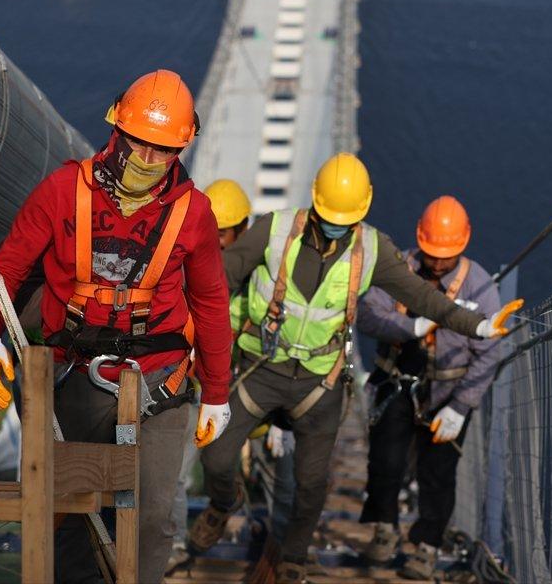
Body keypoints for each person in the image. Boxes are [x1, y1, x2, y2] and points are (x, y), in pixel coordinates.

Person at [186, 153, 520, 583]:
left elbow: (423, 297)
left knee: (311, 482)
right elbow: (221, 277)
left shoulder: (371, 249)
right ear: (315, 203)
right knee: (216, 456)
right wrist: (188, 329)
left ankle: (294, 555)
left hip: (319, 382)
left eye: (345, 221)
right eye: (329, 218)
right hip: (263, 369)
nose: (336, 227)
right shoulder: (276, 229)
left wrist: (477, 326)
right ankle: (221, 503)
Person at [0, 69, 233, 584]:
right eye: (139, 142)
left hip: (159, 380)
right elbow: (9, 267)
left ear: (181, 149)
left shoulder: (194, 213)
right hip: (76, 375)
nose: (149, 159)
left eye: (164, 150)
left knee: (153, 519)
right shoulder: (62, 190)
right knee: (72, 513)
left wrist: (217, 392)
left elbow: (210, 302)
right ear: (117, 129)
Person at [356, 195, 504, 579]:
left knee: (438, 473)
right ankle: (385, 527)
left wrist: (461, 405)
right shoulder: (398, 269)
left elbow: (489, 351)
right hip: (397, 382)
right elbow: (367, 316)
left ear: (462, 245)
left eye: (446, 257)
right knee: (385, 461)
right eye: (432, 254)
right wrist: (410, 327)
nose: (437, 263)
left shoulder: (479, 286)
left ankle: (427, 546)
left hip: (448, 394)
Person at [166, 178, 254, 572]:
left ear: (243, 230)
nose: (215, 241)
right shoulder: (190, 262)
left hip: (242, 386)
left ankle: (235, 511)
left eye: (223, 233)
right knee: (175, 471)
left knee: (234, 465)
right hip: (191, 385)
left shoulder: (255, 277)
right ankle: (171, 544)